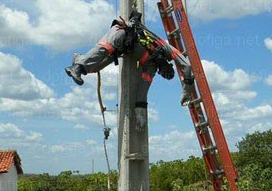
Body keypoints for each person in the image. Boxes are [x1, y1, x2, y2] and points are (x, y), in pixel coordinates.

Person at [65, 12, 194, 127]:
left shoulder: (152, 68)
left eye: (164, 74)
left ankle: (78, 59)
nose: (164, 72)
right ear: (168, 64)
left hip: (123, 49)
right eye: (167, 71)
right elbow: (187, 65)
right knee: (105, 48)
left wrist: (140, 114)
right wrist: (187, 91)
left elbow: (143, 91)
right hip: (125, 31)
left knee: (95, 67)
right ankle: (77, 67)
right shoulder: (164, 47)